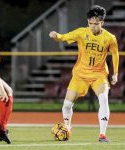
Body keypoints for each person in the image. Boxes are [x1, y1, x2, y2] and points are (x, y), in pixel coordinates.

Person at [49, 5, 119, 142]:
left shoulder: (110, 38)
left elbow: (115, 54)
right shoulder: (81, 32)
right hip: (80, 74)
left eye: (96, 24)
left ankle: (102, 135)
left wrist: (115, 73)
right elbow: (63, 37)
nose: (92, 26)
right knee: (67, 105)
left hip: (99, 75)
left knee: (103, 99)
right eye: (90, 23)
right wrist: (56, 35)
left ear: (102, 23)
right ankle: (68, 126)